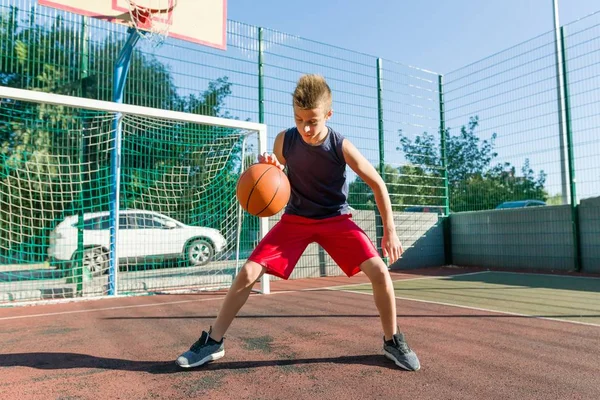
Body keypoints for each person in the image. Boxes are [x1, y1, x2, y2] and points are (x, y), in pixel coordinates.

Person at [176, 74, 420, 372]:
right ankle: (213, 342)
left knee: (380, 271)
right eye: (298, 118)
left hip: (335, 218)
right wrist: (270, 164)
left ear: (328, 114)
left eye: (312, 121)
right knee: (248, 271)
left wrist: (390, 232)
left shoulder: (340, 145)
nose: (305, 127)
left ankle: (392, 339)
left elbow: (378, 184)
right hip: (296, 219)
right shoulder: (286, 139)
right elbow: (274, 170)